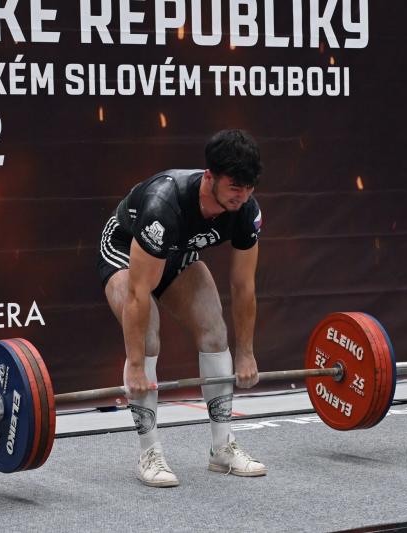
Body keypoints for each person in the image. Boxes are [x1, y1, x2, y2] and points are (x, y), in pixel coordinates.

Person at [96, 129, 267, 487]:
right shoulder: (164, 203)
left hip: (177, 253)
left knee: (214, 331)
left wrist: (246, 353)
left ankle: (222, 448)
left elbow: (243, 286)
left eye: (249, 187)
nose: (242, 195)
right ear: (209, 177)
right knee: (148, 337)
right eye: (235, 186)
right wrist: (136, 365)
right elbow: (138, 293)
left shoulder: (245, 210)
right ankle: (149, 453)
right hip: (126, 249)